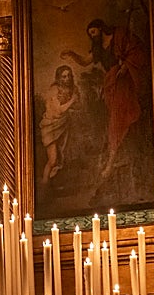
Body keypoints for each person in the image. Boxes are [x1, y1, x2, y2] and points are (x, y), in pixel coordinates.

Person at [60, 18, 148, 177]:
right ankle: (114, 159)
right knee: (116, 120)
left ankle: (110, 163)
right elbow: (85, 61)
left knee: (118, 120)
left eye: (93, 32)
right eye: (90, 34)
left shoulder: (119, 35)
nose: (92, 36)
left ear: (101, 28)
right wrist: (72, 54)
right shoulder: (98, 47)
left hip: (124, 83)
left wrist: (126, 65)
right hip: (112, 84)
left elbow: (137, 50)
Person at [39, 64, 81, 183]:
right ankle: (44, 186)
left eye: (68, 76)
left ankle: (55, 184)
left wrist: (74, 102)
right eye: (63, 77)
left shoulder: (73, 89)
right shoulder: (54, 90)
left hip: (64, 125)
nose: (66, 79)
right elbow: (58, 111)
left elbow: (78, 107)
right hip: (50, 127)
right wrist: (72, 100)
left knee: (63, 157)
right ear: (58, 78)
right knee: (52, 160)